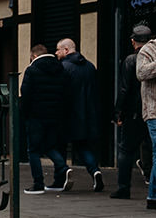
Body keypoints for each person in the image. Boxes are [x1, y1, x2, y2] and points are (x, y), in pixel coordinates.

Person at [112, 26, 156, 207]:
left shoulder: (131, 60)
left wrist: (119, 111)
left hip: (136, 111)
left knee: (126, 150)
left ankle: (124, 186)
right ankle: (152, 183)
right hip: (154, 109)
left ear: (133, 41)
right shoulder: (153, 57)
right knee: (153, 148)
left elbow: (124, 89)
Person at [20, 42, 69, 195]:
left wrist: (24, 114)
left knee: (33, 150)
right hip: (56, 114)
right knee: (50, 146)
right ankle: (63, 167)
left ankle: (38, 183)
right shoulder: (60, 68)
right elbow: (66, 91)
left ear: (34, 56)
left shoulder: (32, 70)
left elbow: (26, 94)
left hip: (36, 116)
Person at [55, 38, 103, 192]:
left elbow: (61, 94)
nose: (56, 53)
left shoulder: (63, 67)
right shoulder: (90, 66)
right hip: (88, 112)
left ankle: (61, 177)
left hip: (68, 114)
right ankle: (94, 170)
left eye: (58, 49)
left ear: (66, 50)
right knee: (83, 146)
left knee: (60, 145)